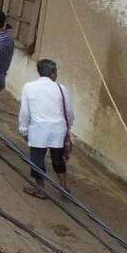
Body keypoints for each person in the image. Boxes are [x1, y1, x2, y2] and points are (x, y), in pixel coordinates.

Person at [18, 59, 75, 196]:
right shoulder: (61, 88)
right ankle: (63, 187)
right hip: (58, 129)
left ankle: (40, 189)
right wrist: (68, 128)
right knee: (58, 158)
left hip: (38, 129)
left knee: (37, 159)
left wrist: (24, 129)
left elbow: (25, 112)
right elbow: (68, 112)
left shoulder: (29, 87)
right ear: (52, 73)